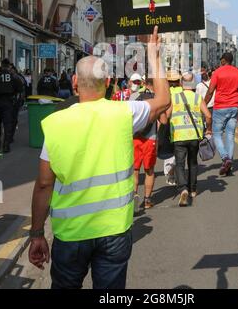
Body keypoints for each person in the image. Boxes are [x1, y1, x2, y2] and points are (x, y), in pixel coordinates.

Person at [28, 26, 171, 289]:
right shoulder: (124, 112)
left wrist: (37, 233)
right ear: (107, 84)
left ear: (74, 82)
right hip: (114, 230)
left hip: (71, 233)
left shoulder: (55, 123)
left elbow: (45, 184)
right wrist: (153, 54)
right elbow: (163, 99)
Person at [170, 72, 212, 206]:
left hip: (178, 135)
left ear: (181, 84)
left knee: (180, 163)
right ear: (193, 84)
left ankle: (183, 189)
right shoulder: (197, 98)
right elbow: (208, 115)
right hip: (194, 135)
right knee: (193, 162)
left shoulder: (174, 98)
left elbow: (166, 114)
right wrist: (208, 129)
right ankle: (193, 189)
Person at [204, 53, 238, 176]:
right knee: (230, 135)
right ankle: (229, 165)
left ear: (223, 60)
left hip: (220, 107)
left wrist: (203, 104)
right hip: (234, 107)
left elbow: (210, 91)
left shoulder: (217, 72)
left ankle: (225, 157)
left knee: (216, 134)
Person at [133, 79, 169, 211]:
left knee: (135, 170)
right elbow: (164, 121)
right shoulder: (156, 100)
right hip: (150, 139)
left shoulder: (134, 97)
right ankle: (147, 200)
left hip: (135, 137)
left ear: (143, 83)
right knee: (149, 170)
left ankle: (134, 195)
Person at [0, 59, 23, 152]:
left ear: (1, 65)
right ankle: (6, 145)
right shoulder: (13, 76)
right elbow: (20, 88)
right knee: (7, 123)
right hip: (8, 102)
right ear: (8, 66)